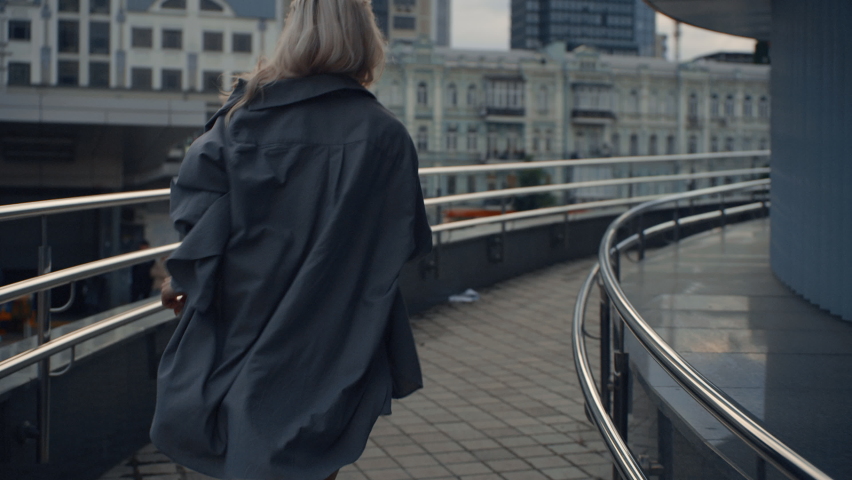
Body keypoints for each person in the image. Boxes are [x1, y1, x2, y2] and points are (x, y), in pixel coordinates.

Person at [150, 1, 432, 479]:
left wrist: (184, 281)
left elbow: (197, 216)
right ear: (366, 40)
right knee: (311, 457)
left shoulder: (238, 122)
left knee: (246, 446)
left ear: (292, 35)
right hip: (334, 342)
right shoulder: (387, 136)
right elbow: (405, 244)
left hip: (243, 327)